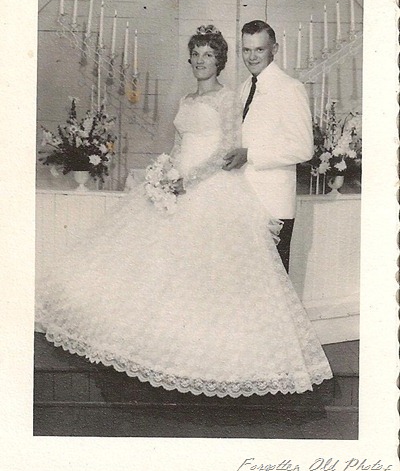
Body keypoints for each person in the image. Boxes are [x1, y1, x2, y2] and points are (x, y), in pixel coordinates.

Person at [35, 25, 332, 399]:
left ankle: (258, 361)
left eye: (210, 55)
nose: (251, 56)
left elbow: (244, 148)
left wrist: (189, 180)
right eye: (197, 55)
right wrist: (164, 174)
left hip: (241, 193)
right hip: (199, 184)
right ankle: (165, 349)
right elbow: (181, 145)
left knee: (251, 285)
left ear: (270, 49)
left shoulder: (280, 89)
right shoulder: (233, 90)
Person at [223, 20, 313, 272]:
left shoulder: (290, 88)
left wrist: (250, 155)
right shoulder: (244, 87)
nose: (252, 57)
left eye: (259, 50)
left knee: (274, 282)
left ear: (274, 49)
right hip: (244, 200)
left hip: (273, 204)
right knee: (247, 279)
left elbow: (303, 147)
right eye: (246, 50)